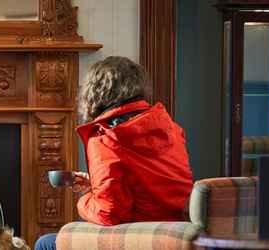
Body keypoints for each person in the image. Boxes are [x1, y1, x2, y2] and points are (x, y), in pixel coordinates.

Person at [34, 56, 193, 249]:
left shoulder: (106, 137)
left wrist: (84, 200)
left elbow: (109, 214)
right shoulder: (170, 127)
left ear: (95, 92)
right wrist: (93, 188)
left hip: (142, 235)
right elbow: (148, 185)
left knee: (45, 243)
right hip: (178, 230)